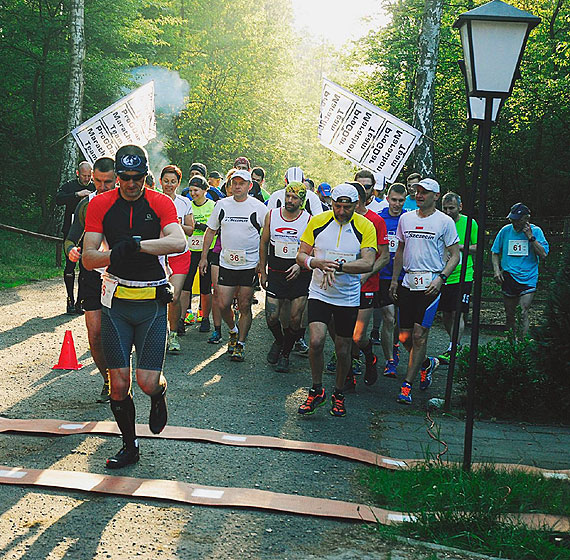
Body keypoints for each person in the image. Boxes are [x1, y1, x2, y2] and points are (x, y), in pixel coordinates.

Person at [83, 144, 186, 469]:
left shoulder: (160, 202)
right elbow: (88, 258)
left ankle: (158, 395)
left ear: (145, 176)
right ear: (117, 176)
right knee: (120, 385)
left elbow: (179, 241)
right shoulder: (100, 204)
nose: (130, 184)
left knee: (146, 382)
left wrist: (138, 246)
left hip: (152, 301)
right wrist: (116, 254)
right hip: (116, 301)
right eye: (125, 178)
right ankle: (130, 445)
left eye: (137, 178)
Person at [296, 184, 377, 417]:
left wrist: (339, 267)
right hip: (320, 291)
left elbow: (368, 262)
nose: (341, 211)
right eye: (337, 206)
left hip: (347, 295)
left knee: (343, 351)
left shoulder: (365, 226)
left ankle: (339, 393)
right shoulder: (319, 221)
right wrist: (316, 263)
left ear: (356, 205)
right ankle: (316, 389)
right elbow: (301, 254)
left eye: (347, 207)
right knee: (316, 341)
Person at [389, 178, 460, 406]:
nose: (419, 195)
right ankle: (426, 363)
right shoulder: (406, 218)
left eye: (425, 192)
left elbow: (455, 255)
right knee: (403, 337)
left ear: (436, 196)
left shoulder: (445, 222)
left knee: (420, 336)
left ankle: (406, 385)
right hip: (408, 281)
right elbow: (400, 250)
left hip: (430, 283)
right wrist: (394, 280)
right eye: (417, 191)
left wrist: (441, 278)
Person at [199, 169, 268, 361]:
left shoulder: (258, 207)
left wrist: (263, 265)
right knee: (222, 304)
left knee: (245, 304)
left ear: (249, 186)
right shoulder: (222, 205)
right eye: (234, 183)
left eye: (242, 183)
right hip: (227, 263)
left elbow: (267, 236)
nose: (237, 186)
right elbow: (211, 231)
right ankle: (233, 330)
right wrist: (204, 257)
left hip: (248, 264)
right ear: (230, 185)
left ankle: (241, 344)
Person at [64, 157, 116, 402]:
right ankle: (107, 379)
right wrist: (72, 250)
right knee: (94, 333)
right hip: (92, 274)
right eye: (97, 181)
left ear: (117, 179)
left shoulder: (127, 202)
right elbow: (71, 238)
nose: (102, 187)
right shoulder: (86, 203)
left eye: (107, 182)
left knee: (118, 332)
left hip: (120, 275)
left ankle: (121, 377)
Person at [259, 181, 312, 372]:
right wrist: (262, 270)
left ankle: (286, 354)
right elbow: (264, 243)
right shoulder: (272, 215)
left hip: (300, 274)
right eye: (288, 196)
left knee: (295, 318)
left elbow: (312, 249)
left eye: (294, 198)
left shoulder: (308, 220)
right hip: (276, 273)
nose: (290, 200)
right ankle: (280, 342)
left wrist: (299, 265)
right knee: (271, 317)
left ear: (302, 200)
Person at [346, 182, 389, 389]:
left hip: (366, 285)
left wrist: (366, 273)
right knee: (343, 334)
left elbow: (385, 257)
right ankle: (347, 375)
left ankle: (369, 356)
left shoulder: (375, 220)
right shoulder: (338, 220)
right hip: (342, 285)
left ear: (360, 200)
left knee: (357, 335)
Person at [491, 203, 548, 338]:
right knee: (510, 314)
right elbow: (494, 252)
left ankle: (522, 346)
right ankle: (512, 343)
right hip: (509, 276)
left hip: (529, 277)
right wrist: (496, 270)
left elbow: (543, 254)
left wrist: (530, 237)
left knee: (523, 312)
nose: (514, 223)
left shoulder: (536, 231)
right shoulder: (505, 231)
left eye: (517, 220)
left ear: (526, 219)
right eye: (512, 219)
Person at [438, 192, 478, 362]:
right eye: (445, 208)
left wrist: (458, 247)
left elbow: (477, 246)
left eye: (451, 208)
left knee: (457, 313)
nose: (448, 212)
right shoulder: (438, 221)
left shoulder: (470, 223)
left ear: (460, 207)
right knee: (446, 315)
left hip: (463, 274)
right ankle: (455, 343)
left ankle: (453, 347)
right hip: (443, 274)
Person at [160, 165, 194, 353]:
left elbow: (191, 229)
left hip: (180, 255)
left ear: (178, 183)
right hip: (159, 255)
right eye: (166, 181)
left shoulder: (184, 202)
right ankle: (159, 332)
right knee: (158, 297)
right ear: (160, 182)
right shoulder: (154, 200)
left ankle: (173, 335)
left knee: (173, 296)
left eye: (173, 182)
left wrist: (176, 225)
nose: (169, 185)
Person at [56, 160, 94, 314]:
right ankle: (70, 299)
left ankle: (80, 301)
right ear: (78, 174)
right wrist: (77, 195)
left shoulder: (94, 187)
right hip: (71, 231)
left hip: (89, 233)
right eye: (84, 176)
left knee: (85, 269)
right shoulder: (70, 185)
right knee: (70, 265)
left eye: (89, 176)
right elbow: (58, 199)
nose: (87, 179)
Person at [180, 174, 216, 336]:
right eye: (191, 191)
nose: (193, 194)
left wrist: (202, 226)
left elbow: (218, 228)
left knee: (205, 286)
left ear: (205, 191)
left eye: (196, 190)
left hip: (207, 252)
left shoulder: (213, 206)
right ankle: (182, 318)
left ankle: (205, 318)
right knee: (185, 285)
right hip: (190, 251)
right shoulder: (188, 205)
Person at [377, 183, 407, 377]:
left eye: (401, 200)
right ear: (387, 198)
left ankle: (395, 345)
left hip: (405, 276)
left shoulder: (408, 219)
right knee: (388, 318)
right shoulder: (379, 218)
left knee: (400, 321)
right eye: (394, 199)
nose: (397, 204)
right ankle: (389, 360)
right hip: (384, 276)